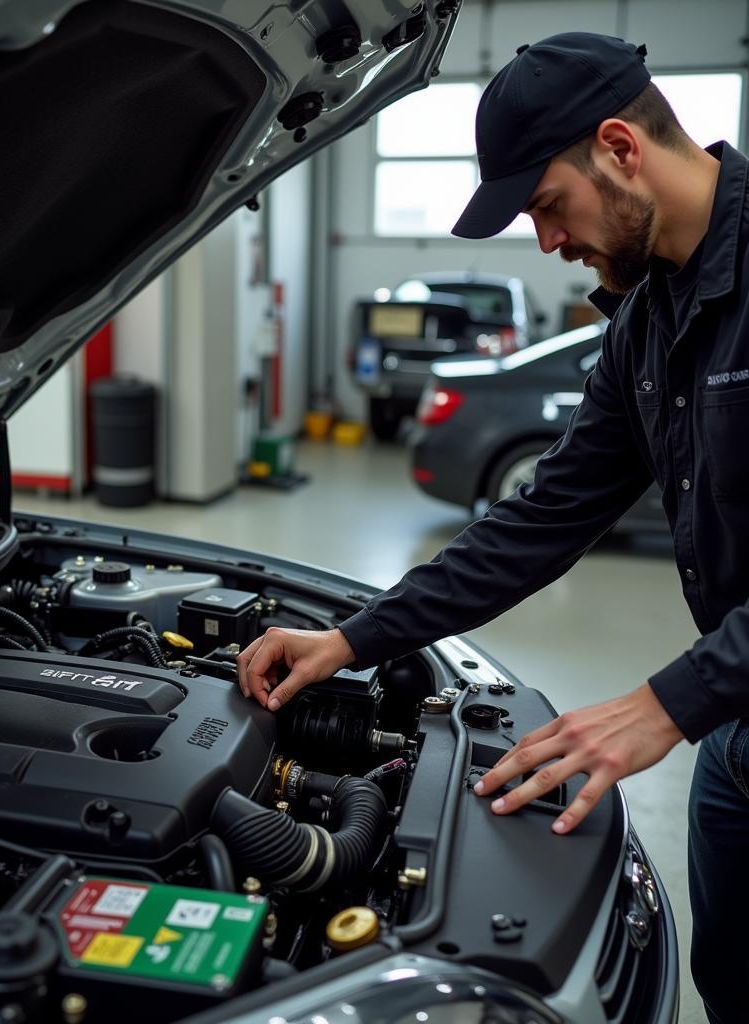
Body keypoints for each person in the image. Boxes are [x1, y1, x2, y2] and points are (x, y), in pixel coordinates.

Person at [237, 32, 749, 1024]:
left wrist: (664, 703)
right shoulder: (645, 319)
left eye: (546, 205)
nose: (547, 241)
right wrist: (354, 635)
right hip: (736, 741)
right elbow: (541, 516)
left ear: (618, 148)